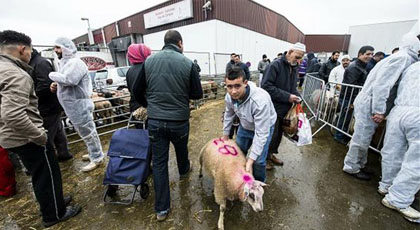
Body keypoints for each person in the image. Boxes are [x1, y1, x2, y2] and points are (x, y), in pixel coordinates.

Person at [0, 30, 81, 227]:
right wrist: (39, 135)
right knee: (46, 172)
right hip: (26, 136)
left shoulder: (3, 68)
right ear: (22, 49)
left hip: (11, 135)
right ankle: (54, 214)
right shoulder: (16, 74)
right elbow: (12, 114)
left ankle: (54, 201)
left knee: (42, 171)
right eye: (30, 50)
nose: (30, 54)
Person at [135, 30, 203, 221]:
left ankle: (162, 209)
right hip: (179, 120)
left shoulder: (148, 61)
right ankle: (183, 170)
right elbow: (197, 94)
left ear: (164, 42)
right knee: (181, 149)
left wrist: (149, 104)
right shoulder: (188, 63)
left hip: (155, 121)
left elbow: (136, 90)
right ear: (180, 43)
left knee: (159, 162)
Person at [342, 28, 420, 181]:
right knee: (362, 138)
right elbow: (382, 85)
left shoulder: (399, 57)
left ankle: (359, 164)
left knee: (364, 136)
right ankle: (351, 166)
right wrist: (379, 110)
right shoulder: (402, 59)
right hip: (371, 103)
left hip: (369, 101)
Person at [49, 37, 104, 172]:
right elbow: (65, 81)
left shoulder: (76, 63)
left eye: (58, 47)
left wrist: (51, 75)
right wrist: (56, 85)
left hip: (79, 105)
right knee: (84, 132)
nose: (56, 51)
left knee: (88, 132)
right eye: (55, 48)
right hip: (73, 106)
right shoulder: (65, 64)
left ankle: (97, 157)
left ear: (66, 48)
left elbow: (70, 80)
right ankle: (93, 153)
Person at [378, 61, 420, 223]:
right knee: (415, 162)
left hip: (399, 111)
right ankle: (399, 198)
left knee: (392, 152)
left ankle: (387, 185)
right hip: (415, 114)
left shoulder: (411, 67)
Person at [222, 67, 277, 182]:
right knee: (239, 153)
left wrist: (250, 161)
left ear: (245, 83)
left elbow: (261, 133)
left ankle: (258, 184)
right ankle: (241, 180)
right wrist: (225, 135)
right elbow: (229, 114)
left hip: (264, 126)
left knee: (258, 161)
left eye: (237, 86)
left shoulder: (260, 101)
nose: (233, 91)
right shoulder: (229, 97)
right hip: (245, 124)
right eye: (229, 86)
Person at [261, 42, 305, 169]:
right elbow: (266, 87)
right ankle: (263, 159)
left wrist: (296, 96)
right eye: (297, 57)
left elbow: (292, 87)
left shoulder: (294, 66)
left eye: (301, 58)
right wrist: (288, 97)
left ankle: (271, 154)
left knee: (278, 134)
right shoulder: (274, 66)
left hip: (285, 108)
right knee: (270, 134)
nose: (299, 61)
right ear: (290, 52)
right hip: (272, 107)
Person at [29, 48, 72, 161]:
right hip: (50, 105)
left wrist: (32, 98)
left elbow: (45, 84)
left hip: (47, 106)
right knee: (57, 129)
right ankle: (63, 153)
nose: (56, 50)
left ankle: (46, 159)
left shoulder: (39, 63)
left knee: (48, 133)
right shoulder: (36, 62)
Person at [333, 46, 374, 146]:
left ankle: (342, 133)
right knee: (345, 117)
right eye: (367, 54)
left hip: (351, 97)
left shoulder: (362, 66)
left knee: (347, 117)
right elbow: (352, 86)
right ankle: (339, 136)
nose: (370, 56)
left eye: (372, 54)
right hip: (348, 97)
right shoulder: (354, 67)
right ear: (360, 54)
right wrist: (353, 101)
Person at [126, 43, 152, 129]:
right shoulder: (148, 68)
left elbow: (130, 89)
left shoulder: (129, 71)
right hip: (149, 107)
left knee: (141, 134)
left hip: (135, 109)